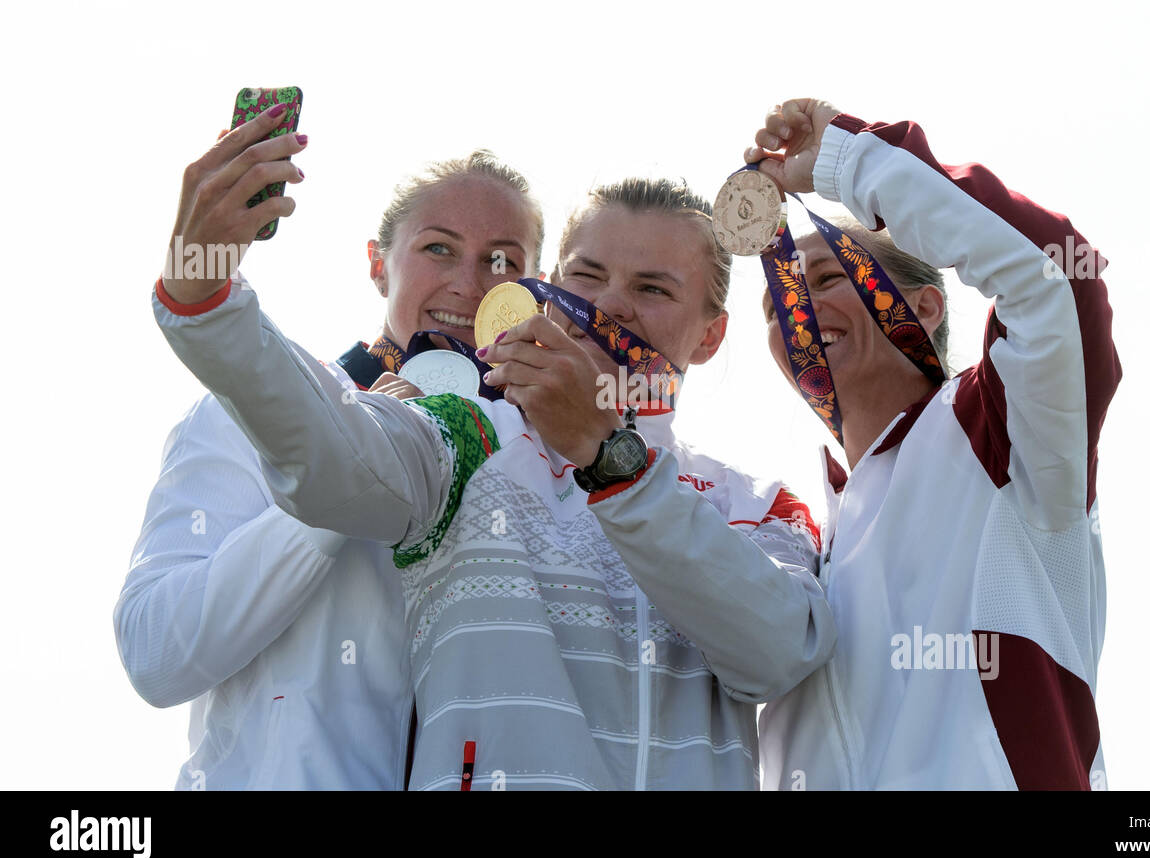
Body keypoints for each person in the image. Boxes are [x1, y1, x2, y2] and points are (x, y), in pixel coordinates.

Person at [151, 112, 835, 789]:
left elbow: (776, 654)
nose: (612, 306)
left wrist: (610, 458)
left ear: (711, 335)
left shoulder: (759, 505)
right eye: (587, 277)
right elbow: (335, 459)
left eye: (653, 288)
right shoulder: (468, 434)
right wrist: (206, 298)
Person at [116, 101, 544, 789]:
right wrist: (338, 472)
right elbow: (156, 655)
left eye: (502, 261)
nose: (468, 283)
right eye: (437, 248)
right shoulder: (238, 413)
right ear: (379, 265)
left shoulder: (547, 465)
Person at [748, 99, 1121, 790]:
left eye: (827, 278)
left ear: (923, 305)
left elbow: (1057, 279)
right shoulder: (794, 543)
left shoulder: (1000, 437)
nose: (799, 309)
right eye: (778, 301)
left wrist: (846, 160)